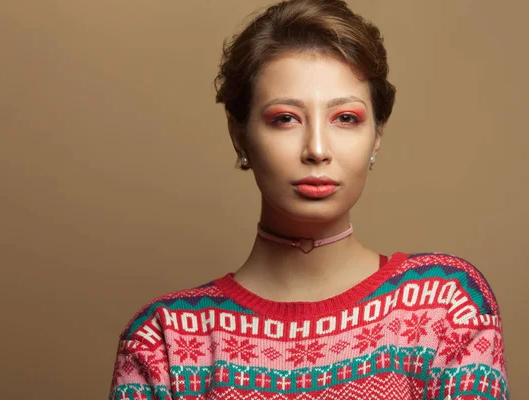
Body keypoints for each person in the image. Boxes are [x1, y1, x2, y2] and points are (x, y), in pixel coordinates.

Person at [108, 0, 509, 399]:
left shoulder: (445, 307)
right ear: (240, 135)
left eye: (346, 118)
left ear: (378, 135)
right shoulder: (163, 341)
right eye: (285, 118)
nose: (317, 149)